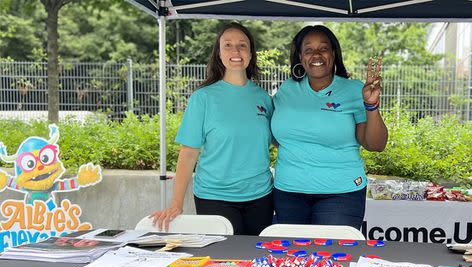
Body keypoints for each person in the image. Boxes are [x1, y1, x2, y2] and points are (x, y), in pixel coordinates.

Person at [150, 22, 274, 235]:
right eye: (227, 45)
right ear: (218, 53)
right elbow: (188, 154)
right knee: (223, 263)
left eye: (242, 45)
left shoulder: (264, 98)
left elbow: (279, 140)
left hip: (260, 196)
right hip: (215, 197)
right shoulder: (203, 98)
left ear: (251, 53)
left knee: (256, 261)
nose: (235, 51)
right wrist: (176, 204)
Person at [271, 25, 388, 230]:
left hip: (340, 194)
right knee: (294, 259)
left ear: (334, 53)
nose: (316, 55)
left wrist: (371, 105)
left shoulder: (354, 90)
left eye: (323, 48)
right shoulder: (287, 89)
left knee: (333, 257)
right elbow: (277, 135)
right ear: (300, 56)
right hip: (288, 193)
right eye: (308, 50)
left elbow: (375, 145)